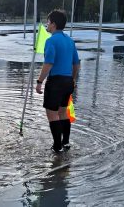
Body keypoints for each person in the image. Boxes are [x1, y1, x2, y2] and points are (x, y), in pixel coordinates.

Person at [35, 9, 80, 153]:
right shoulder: (70, 41)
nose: (47, 26)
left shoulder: (51, 41)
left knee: (52, 114)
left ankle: (57, 146)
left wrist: (39, 81)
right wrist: (73, 79)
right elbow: (76, 63)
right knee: (63, 112)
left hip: (55, 82)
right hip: (68, 82)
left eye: (48, 23)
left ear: (53, 24)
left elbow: (48, 63)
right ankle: (65, 142)